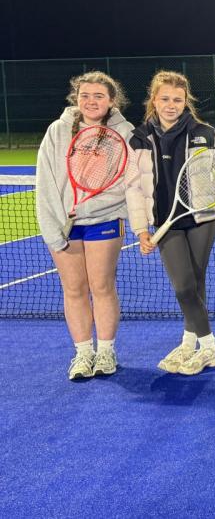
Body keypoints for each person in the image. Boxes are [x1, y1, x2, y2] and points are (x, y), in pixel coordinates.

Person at [126, 71, 215, 375]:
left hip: (202, 219)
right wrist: (140, 228)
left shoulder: (206, 133)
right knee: (184, 286)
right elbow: (133, 188)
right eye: (165, 99)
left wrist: (208, 196)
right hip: (166, 221)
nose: (171, 105)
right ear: (154, 100)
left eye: (177, 99)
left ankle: (198, 345)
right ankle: (204, 345)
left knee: (195, 282)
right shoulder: (138, 138)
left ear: (186, 101)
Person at [35, 72, 134, 381]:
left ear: (112, 101)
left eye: (99, 96)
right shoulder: (57, 130)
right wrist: (52, 227)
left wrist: (93, 205)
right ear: (76, 99)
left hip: (104, 220)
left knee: (102, 287)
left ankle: (105, 351)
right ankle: (83, 353)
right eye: (85, 95)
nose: (91, 101)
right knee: (74, 288)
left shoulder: (126, 132)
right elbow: (45, 182)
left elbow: (130, 182)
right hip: (64, 223)